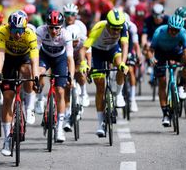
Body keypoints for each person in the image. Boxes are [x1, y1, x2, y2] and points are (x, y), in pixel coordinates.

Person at [0, 10, 39, 156]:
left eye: (20, 31)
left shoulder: (30, 34)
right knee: (7, 98)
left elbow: (34, 58)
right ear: (9, 27)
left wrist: (36, 76)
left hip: (24, 57)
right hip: (9, 59)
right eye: (14, 30)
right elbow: (0, 53)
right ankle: (7, 138)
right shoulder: (3, 31)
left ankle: (29, 107)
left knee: (27, 71)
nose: (17, 34)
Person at [79, 9, 129, 137]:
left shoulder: (123, 26)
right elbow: (83, 49)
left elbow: (124, 45)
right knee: (100, 87)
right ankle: (100, 123)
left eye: (119, 29)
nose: (116, 32)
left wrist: (123, 63)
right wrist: (84, 63)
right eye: (114, 29)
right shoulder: (99, 28)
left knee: (121, 67)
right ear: (108, 25)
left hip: (112, 49)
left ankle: (118, 94)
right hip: (98, 53)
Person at [36, 10, 75, 142]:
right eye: (51, 28)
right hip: (45, 57)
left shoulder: (66, 34)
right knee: (39, 71)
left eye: (56, 28)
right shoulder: (41, 31)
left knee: (60, 91)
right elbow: (34, 53)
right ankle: (39, 98)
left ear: (61, 26)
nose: (53, 31)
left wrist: (71, 76)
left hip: (60, 59)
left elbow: (70, 59)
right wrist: (35, 74)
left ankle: (59, 129)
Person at [147, 14, 186, 126]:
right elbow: (150, 50)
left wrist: (185, 65)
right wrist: (151, 58)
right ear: (168, 26)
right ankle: (165, 113)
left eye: (177, 31)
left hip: (175, 51)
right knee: (162, 82)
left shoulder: (183, 32)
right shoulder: (159, 32)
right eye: (172, 30)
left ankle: (181, 86)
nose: (174, 32)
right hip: (160, 53)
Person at [124, 13, 142, 112]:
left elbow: (136, 44)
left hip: (129, 47)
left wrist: (138, 55)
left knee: (130, 70)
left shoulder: (132, 27)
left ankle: (132, 98)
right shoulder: (115, 27)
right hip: (118, 46)